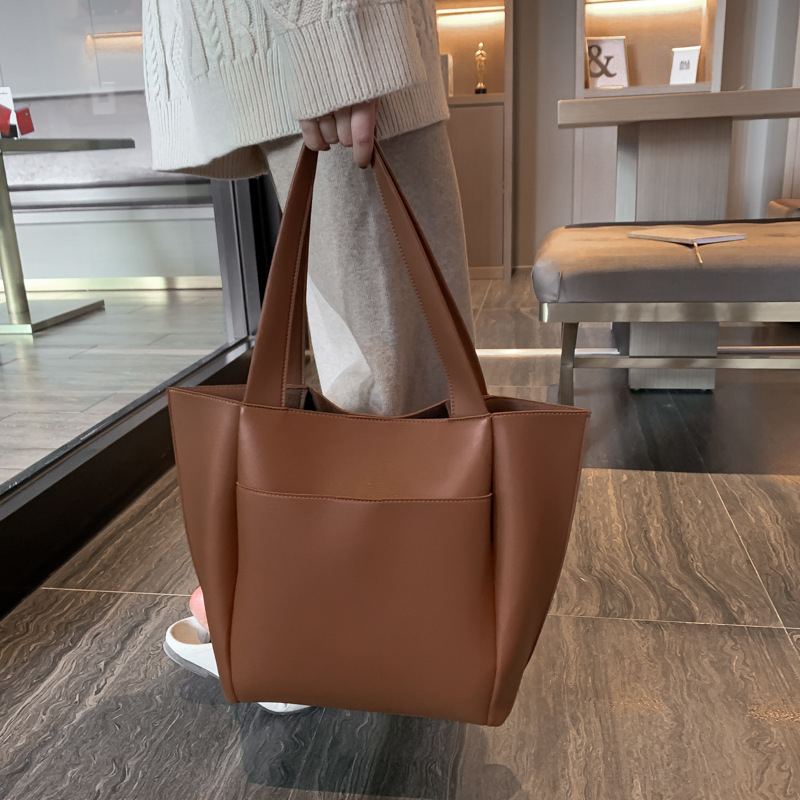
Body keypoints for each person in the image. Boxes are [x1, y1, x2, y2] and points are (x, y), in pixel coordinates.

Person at [144, 0, 474, 712]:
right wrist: (335, 38)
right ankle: (324, 619)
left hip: (312, 43)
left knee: (380, 349)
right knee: (393, 355)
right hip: (331, 37)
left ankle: (321, 614)